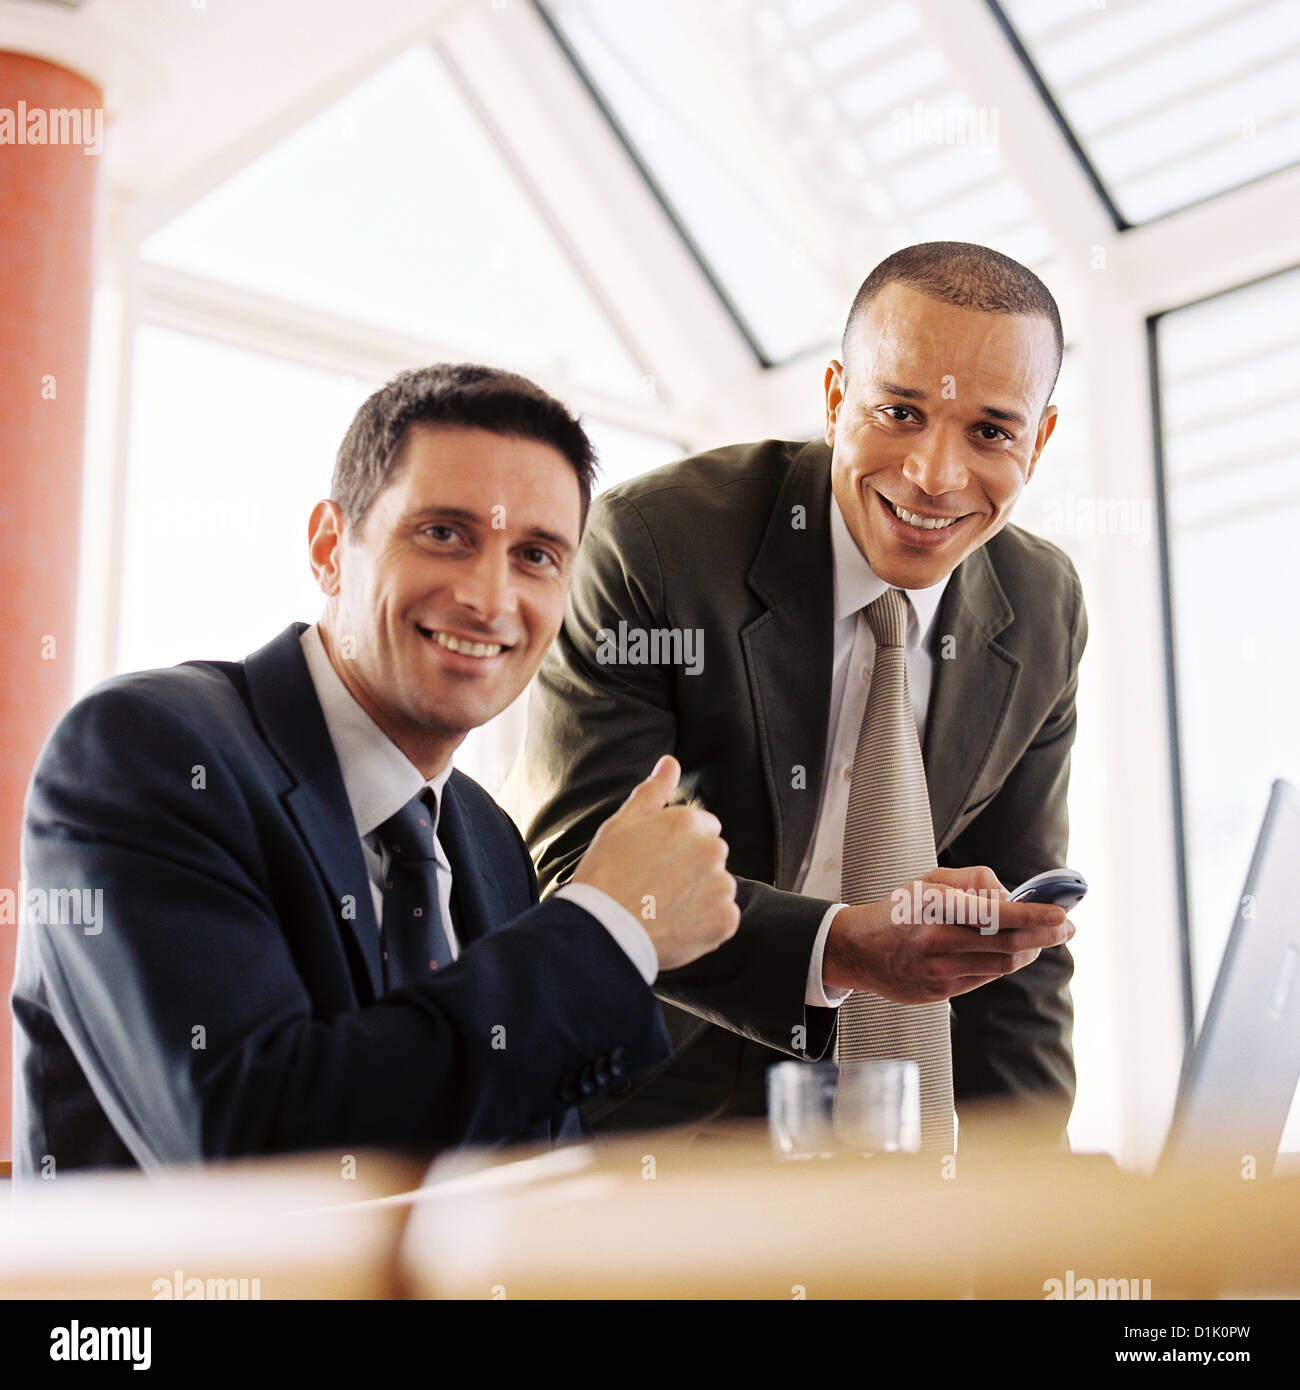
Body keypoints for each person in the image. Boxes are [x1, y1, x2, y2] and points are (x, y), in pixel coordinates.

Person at [11, 363, 740, 1176]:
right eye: (444, 534)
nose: (489, 598)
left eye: (536, 555)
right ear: (330, 548)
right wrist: (607, 926)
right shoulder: (145, 753)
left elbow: (526, 1147)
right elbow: (246, 1148)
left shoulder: (487, 837)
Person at [509, 242, 1081, 1148]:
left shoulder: (1044, 608)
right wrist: (843, 947)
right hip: (645, 1108)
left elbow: (1022, 955)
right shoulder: (655, 544)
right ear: (833, 399)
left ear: (1038, 443)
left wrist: (1028, 1200)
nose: (935, 475)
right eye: (899, 411)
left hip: (886, 1120)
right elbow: (587, 866)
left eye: (990, 431)